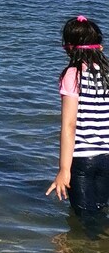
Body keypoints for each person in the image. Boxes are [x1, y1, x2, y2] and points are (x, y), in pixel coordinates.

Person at [47, 15, 109, 233]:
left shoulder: (72, 75)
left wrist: (64, 170)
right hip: (107, 158)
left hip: (83, 161)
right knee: (100, 210)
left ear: (68, 47)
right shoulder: (108, 74)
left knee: (85, 218)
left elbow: (70, 125)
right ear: (99, 45)